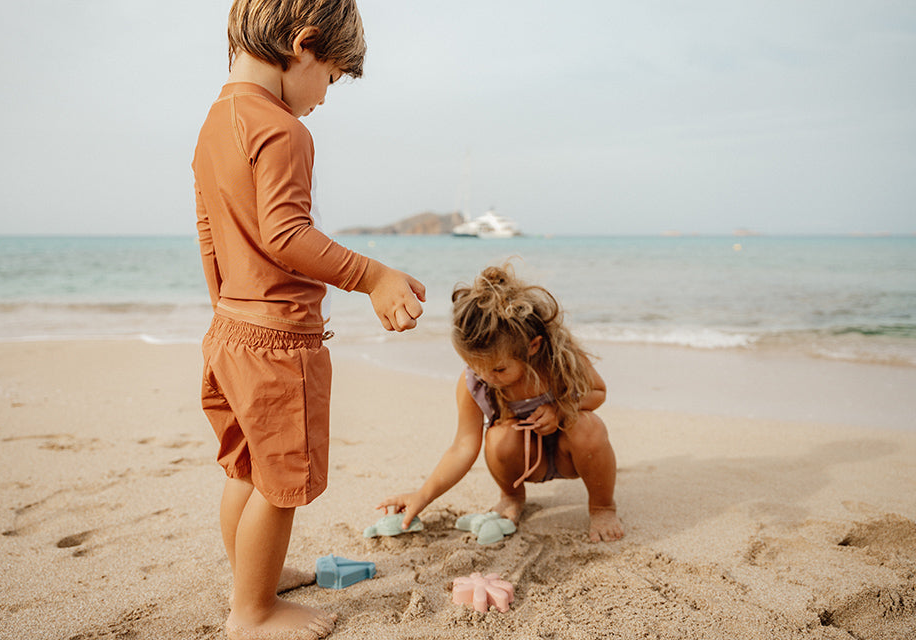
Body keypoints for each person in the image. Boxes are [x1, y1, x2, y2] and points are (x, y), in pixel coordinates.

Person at [192, 1, 426, 638]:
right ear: (305, 45)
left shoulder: (215, 123)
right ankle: (254, 611)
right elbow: (287, 232)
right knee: (281, 484)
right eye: (333, 75)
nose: (324, 97)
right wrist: (373, 276)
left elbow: (210, 236)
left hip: (228, 331)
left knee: (246, 468)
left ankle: (253, 577)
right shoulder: (283, 129)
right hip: (276, 342)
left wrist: (227, 311)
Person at [378, 264, 623, 543]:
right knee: (497, 437)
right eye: (475, 366)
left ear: (532, 346)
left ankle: (603, 506)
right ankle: (511, 498)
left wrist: (560, 409)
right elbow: (463, 446)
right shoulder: (476, 379)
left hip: (571, 455)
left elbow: (598, 391)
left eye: (498, 370)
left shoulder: (558, 358)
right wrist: (422, 496)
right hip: (525, 463)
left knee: (589, 425)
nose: (486, 378)